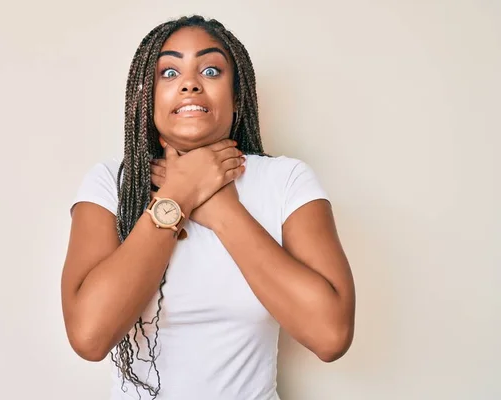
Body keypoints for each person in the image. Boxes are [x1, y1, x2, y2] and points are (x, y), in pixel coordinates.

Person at [61, 15, 356, 400]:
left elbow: (330, 334)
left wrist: (221, 209)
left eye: (211, 69)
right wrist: (180, 192)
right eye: (169, 72)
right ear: (147, 97)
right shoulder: (112, 184)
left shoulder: (285, 181)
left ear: (237, 97)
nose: (189, 83)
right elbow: (89, 336)